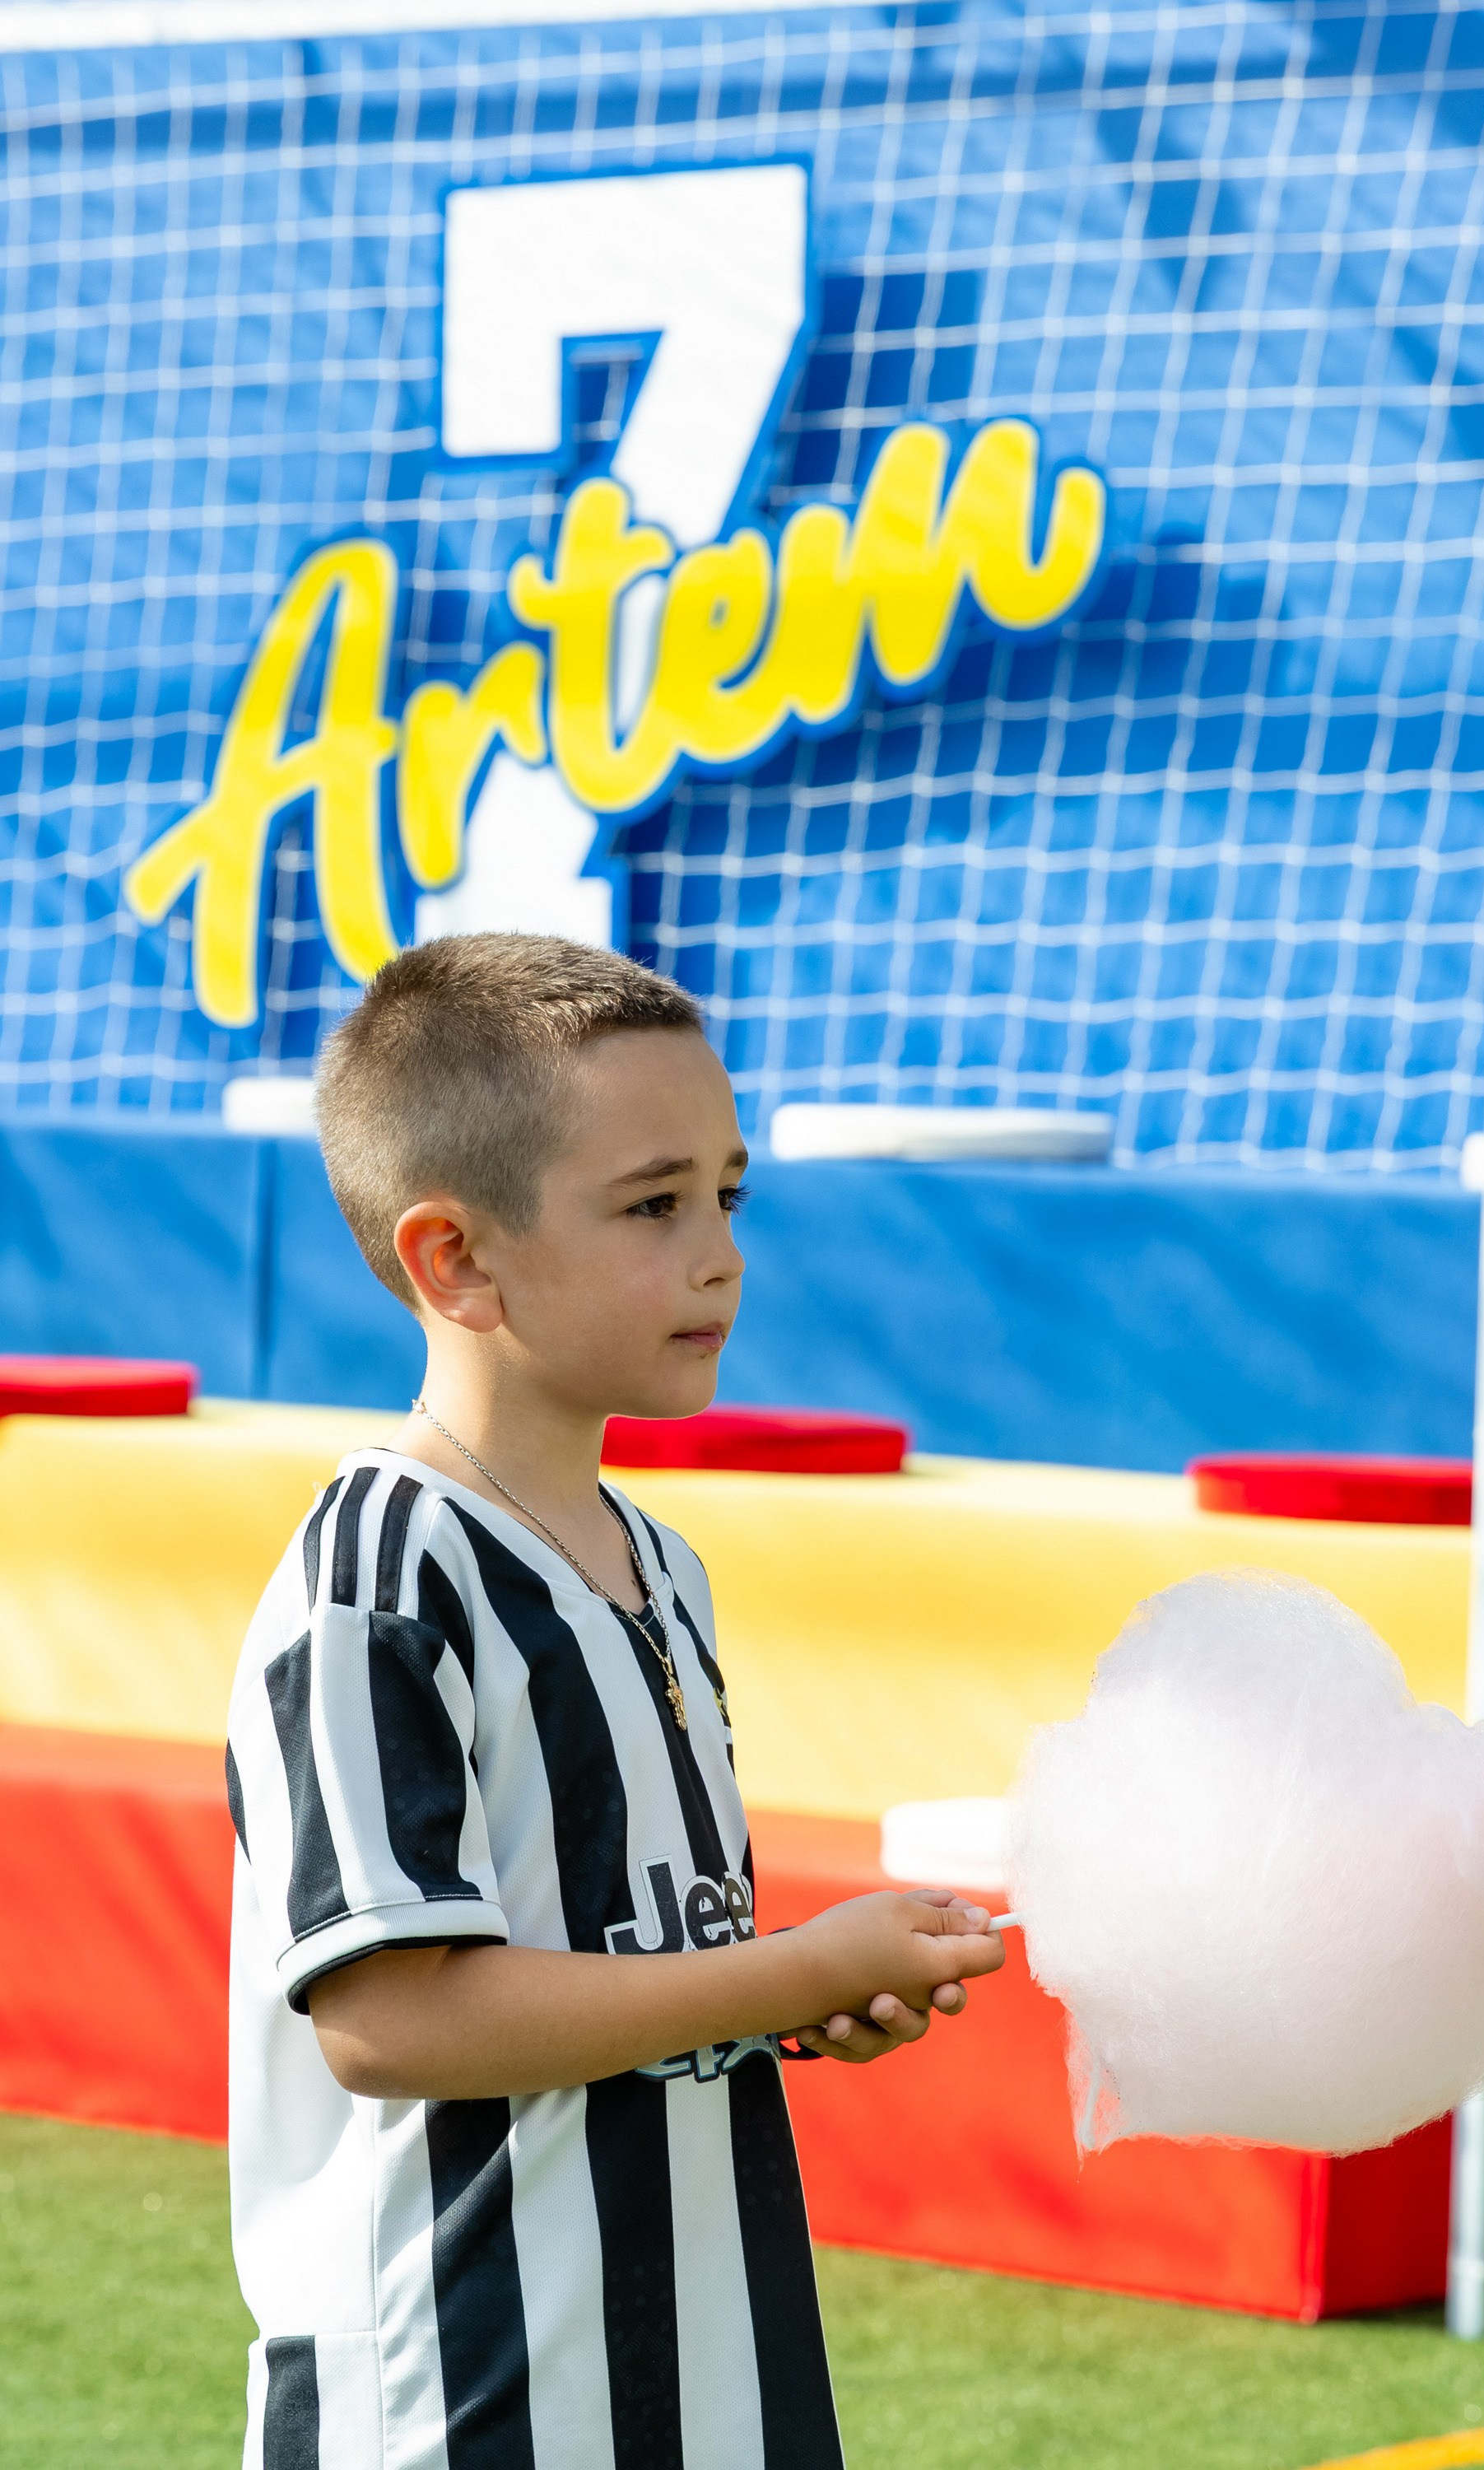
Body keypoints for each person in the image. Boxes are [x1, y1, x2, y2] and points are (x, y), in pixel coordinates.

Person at [224, 931, 1005, 2470]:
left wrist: (799, 2004)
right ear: (456, 1259)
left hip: (714, 2379)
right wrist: (775, 1979)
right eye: (654, 1205)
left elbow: (637, 1965)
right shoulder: (379, 1574)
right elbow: (392, 2018)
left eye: (729, 1194)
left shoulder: (663, 1565)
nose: (720, 1253)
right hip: (460, 2405)